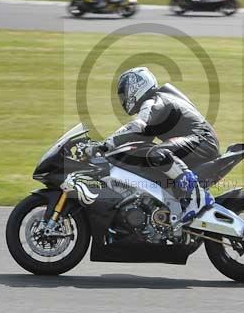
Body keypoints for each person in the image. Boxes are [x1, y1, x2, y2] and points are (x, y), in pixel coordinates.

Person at [91, 67, 220, 227]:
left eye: (124, 94)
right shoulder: (159, 102)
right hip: (199, 141)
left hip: (203, 141)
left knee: (157, 153)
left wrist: (106, 145)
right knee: (144, 153)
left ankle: (197, 196)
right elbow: (139, 137)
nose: (123, 99)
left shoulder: (152, 101)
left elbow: (137, 126)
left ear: (136, 86)